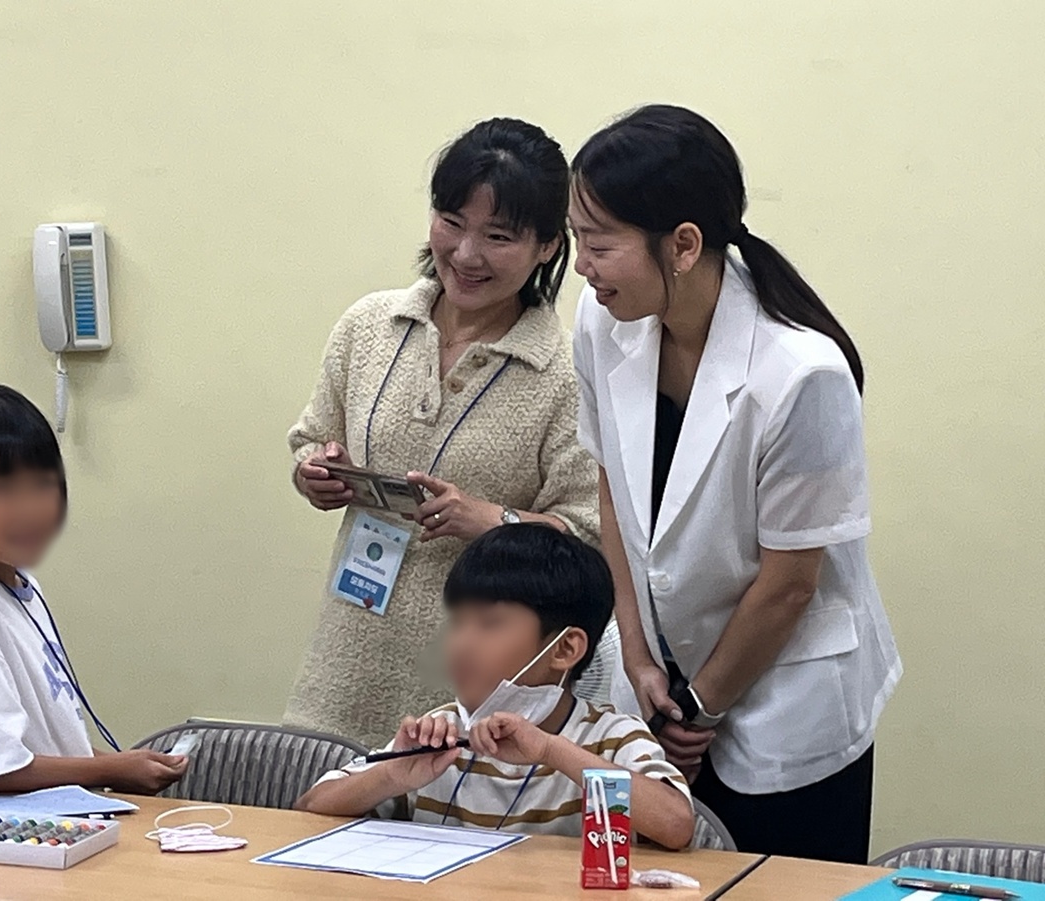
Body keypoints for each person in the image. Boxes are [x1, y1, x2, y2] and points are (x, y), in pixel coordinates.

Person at [568, 105, 902, 862]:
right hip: (658, 687)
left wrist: (701, 705)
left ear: (683, 245)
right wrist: (637, 656)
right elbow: (613, 491)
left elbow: (790, 582)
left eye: (600, 243)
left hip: (785, 693)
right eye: (578, 237)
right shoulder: (602, 320)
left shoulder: (801, 373)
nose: (582, 265)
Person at [286, 119, 599, 748]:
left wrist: (493, 521)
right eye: (452, 222)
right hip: (345, 655)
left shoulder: (566, 374)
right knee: (321, 794)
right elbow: (311, 438)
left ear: (547, 246)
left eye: (498, 236)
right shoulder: (370, 325)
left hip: (475, 684)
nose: (466, 254)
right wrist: (314, 471)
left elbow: (589, 532)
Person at [295, 525, 694, 849]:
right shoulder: (443, 733)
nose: (461, 643)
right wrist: (392, 776)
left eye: (489, 623)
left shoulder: (611, 737)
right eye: (457, 623)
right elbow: (310, 808)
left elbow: (676, 825)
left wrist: (550, 751)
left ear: (565, 649)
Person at [0, 384, 189, 794]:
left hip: (60, 816)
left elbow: (42, 742)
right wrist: (110, 770)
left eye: (41, 485)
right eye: (4, 490)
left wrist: (117, 764)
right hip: (6, 825)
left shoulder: (20, 586)